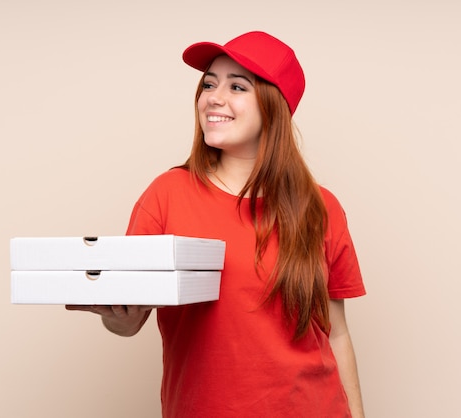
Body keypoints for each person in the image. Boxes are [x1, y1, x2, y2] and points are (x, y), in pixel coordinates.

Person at [67, 31, 367, 418]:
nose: (213, 97)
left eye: (237, 86)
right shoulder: (167, 194)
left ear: (274, 105)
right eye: (209, 83)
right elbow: (129, 321)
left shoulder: (320, 207)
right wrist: (117, 317)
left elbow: (336, 333)